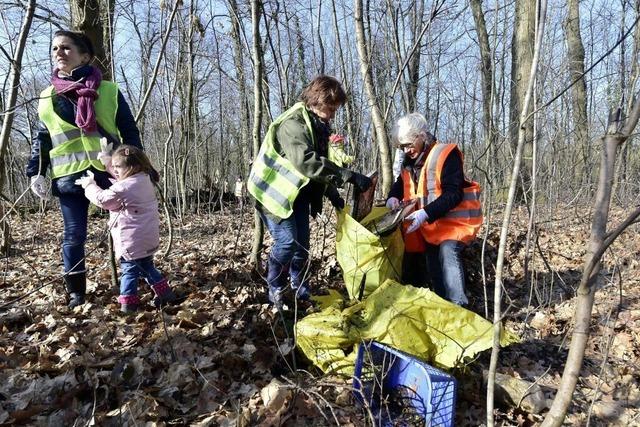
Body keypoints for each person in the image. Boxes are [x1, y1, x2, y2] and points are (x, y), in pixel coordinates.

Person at [25, 30, 142, 308]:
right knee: (74, 234)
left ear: (85, 56)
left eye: (66, 48)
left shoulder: (110, 90)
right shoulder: (46, 97)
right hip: (69, 177)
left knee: (126, 230)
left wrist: (137, 166)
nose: (58, 53)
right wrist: (35, 172)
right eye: (54, 48)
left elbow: (128, 131)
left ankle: (130, 286)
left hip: (111, 173)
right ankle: (77, 293)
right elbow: (42, 138)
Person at [247, 75, 372, 309]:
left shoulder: (319, 126)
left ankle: (299, 287)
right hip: (273, 194)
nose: (334, 113)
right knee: (287, 242)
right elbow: (307, 162)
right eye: (331, 107)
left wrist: (333, 195)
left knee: (302, 246)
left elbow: (320, 166)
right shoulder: (293, 124)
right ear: (318, 100)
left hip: (297, 194)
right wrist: (349, 176)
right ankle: (275, 287)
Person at [386, 113, 482, 306]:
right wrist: (392, 197)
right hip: (431, 227)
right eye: (402, 147)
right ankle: (442, 305)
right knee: (432, 262)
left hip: (455, 224)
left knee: (447, 251)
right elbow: (400, 182)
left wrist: (425, 213)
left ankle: (459, 305)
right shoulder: (409, 162)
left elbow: (454, 193)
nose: (406, 150)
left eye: (409, 144)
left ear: (421, 135)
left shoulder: (446, 154)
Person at [75, 144, 176, 313]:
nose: (115, 170)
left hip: (131, 241)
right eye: (113, 167)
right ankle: (165, 294)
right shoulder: (144, 178)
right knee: (146, 267)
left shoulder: (124, 187)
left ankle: (128, 304)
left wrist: (89, 185)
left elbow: (103, 199)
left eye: (118, 167)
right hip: (146, 238)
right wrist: (108, 162)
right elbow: (121, 177)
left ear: (132, 167)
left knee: (129, 271)